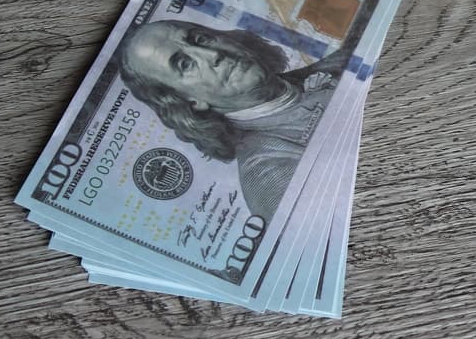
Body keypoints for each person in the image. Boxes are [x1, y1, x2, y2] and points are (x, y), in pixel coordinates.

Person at [115, 19, 352, 221]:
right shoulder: (269, 173)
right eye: (185, 64)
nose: (213, 55)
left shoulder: (332, 66)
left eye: (200, 39)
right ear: (191, 101)